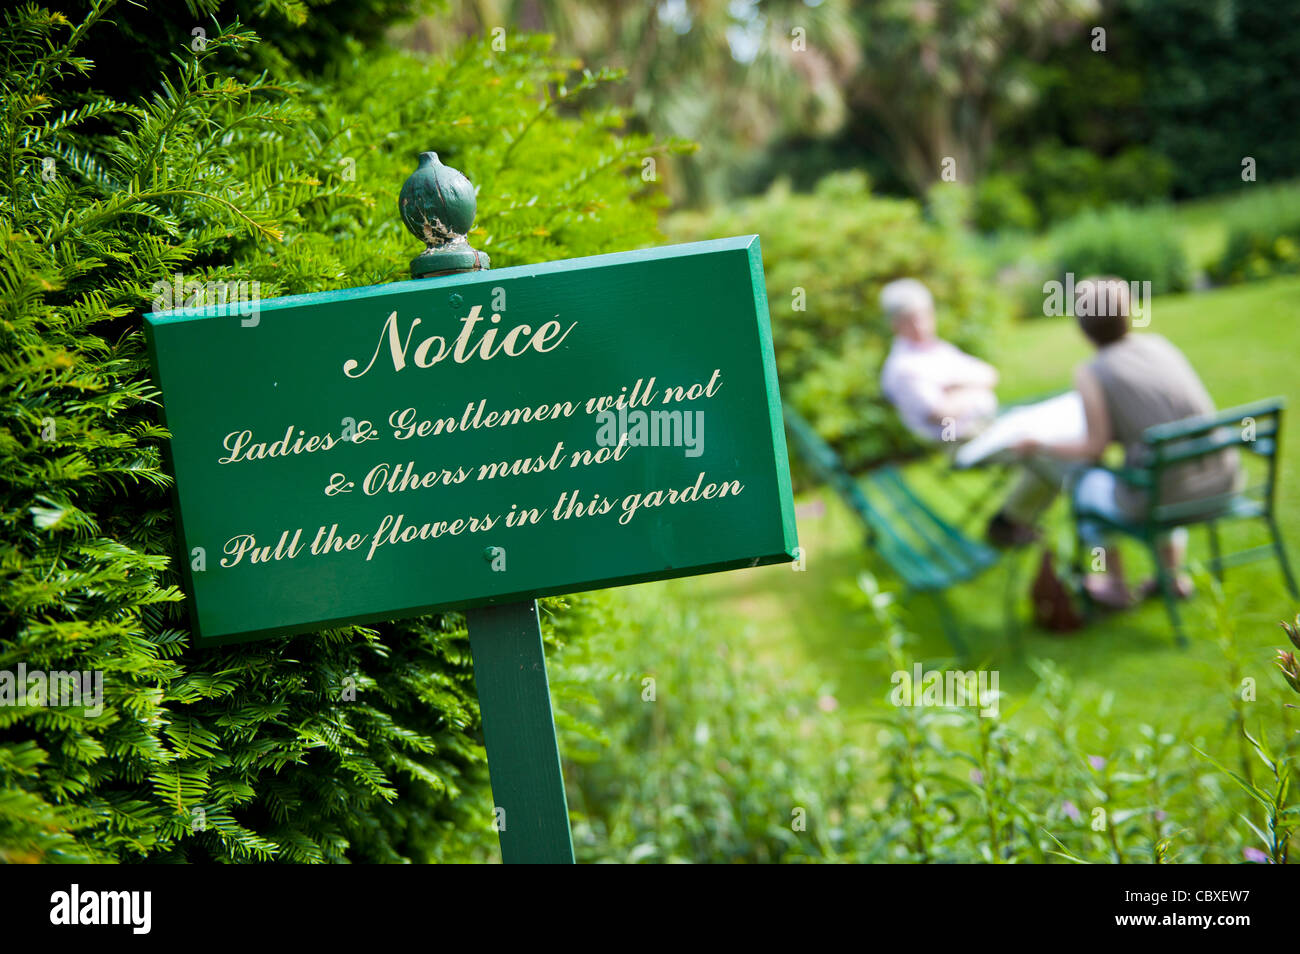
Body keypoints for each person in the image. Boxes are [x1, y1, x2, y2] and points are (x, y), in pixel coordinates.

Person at [1010, 276, 1241, 608]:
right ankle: (1171, 576)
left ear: (1083, 327)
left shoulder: (1092, 371)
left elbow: (1095, 447)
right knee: (1161, 470)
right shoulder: (1160, 346)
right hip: (1223, 479)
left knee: (1085, 484)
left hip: (1170, 497)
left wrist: (1039, 445)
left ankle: (1114, 583)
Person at [879, 279, 998, 443]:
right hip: (959, 439)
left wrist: (955, 389)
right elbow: (941, 414)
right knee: (1030, 445)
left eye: (923, 316)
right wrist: (974, 388)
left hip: (986, 425)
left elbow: (989, 374)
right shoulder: (902, 367)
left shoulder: (938, 348)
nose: (919, 326)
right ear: (895, 324)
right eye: (909, 320)